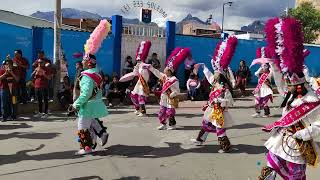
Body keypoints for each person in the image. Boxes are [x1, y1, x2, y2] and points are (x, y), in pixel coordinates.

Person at [258, 17, 320, 180]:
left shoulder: (313, 101)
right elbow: (279, 82)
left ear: (300, 85)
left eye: (290, 85)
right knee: (270, 164)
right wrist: (273, 64)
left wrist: (304, 133)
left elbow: (319, 124)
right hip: (281, 138)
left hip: (298, 144)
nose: (287, 88)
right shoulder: (290, 93)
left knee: (296, 176)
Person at [190, 35, 238, 153]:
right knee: (206, 125)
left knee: (220, 130)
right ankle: (200, 140)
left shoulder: (224, 89)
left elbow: (229, 102)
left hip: (220, 112)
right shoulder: (215, 83)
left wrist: (220, 102)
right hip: (212, 111)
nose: (214, 75)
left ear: (220, 76)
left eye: (216, 74)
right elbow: (208, 75)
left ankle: (226, 147)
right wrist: (203, 66)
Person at [72, 54, 109, 155]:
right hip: (96, 104)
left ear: (88, 62)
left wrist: (76, 104)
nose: (82, 62)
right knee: (92, 123)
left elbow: (86, 93)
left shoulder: (86, 76)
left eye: (84, 60)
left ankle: (86, 148)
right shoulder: (97, 74)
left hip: (88, 106)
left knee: (83, 126)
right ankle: (99, 137)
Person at [147, 47, 189, 130]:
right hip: (164, 97)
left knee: (170, 112)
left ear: (170, 71)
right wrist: (151, 68)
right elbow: (157, 73)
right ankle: (163, 124)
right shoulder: (164, 77)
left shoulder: (174, 80)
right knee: (162, 111)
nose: (164, 69)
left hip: (170, 98)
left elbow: (178, 90)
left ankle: (172, 125)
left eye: (166, 69)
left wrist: (174, 93)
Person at [120, 41, 152, 117]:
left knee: (141, 97)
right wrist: (125, 78)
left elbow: (146, 76)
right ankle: (138, 109)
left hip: (143, 83)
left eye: (139, 60)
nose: (138, 61)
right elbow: (134, 74)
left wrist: (141, 78)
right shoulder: (137, 65)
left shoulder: (144, 66)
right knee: (133, 95)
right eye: (137, 60)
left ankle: (143, 112)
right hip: (138, 83)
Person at [0, 57, 20, 121]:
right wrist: (5, 73)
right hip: (4, 89)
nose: (7, 65)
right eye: (6, 64)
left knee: (14, 102)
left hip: (13, 90)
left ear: (12, 65)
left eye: (9, 64)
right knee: (4, 103)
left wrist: (11, 73)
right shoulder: (2, 70)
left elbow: (17, 79)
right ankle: (4, 117)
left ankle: (13, 116)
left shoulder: (15, 70)